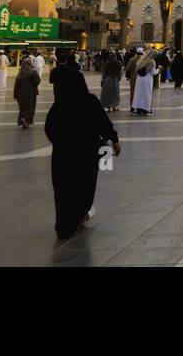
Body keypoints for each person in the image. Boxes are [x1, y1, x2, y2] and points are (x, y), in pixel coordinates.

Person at [44, 57, 120, 240]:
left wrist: (62, 142)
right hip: (87, 154)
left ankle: (64, 225)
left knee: (63, 190)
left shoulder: (60, 105)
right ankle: (80, 213)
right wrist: (114, 139)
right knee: (84, 186)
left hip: (63, 156)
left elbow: (49, 129)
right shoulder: (89, 101)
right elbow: (103, 122)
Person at [13, 56, 41, 128]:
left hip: (21, 94)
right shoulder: (33, 72)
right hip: (31, 93)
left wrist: (15, 95)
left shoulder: (20, 74)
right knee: (30, 108)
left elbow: (16, 86)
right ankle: (26, 121)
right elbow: (37, 81)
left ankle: (22, 119)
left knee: (22, 108)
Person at [132, 50, 157, 116]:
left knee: (138, 95)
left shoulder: (140, 60)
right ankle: (146, 110)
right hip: (147, 80)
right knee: (146, 95)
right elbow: (153, 73)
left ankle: (137, 110)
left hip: (139, 80)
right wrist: (159, 70)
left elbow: (136, 69)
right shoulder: (152, 62)